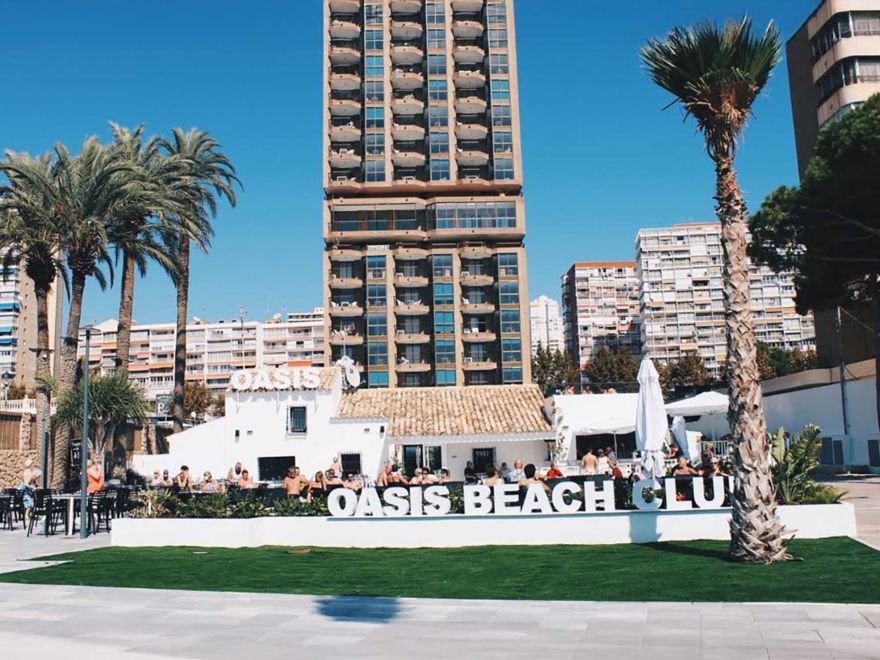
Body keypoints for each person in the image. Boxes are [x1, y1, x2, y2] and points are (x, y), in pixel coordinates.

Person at [19, 458, 39, 526]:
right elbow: (26, 484)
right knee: (29, 502)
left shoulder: (29, 472)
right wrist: (32, 487)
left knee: (29, 502)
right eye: (31, 464)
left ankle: (27, 515)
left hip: (28, 490)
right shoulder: (27, 473)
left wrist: (35, 486)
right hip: (26, 490)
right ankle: (26, 515)